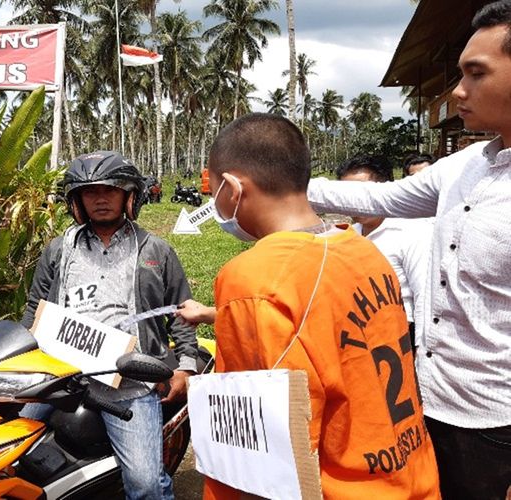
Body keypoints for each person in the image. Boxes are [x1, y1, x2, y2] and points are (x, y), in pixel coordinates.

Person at [307, 3, 511, 498]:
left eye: (475, 73)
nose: (457, 91)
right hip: (425, 400)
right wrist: (284, 183)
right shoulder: (465, 164)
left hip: (497, 425)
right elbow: (379, 199)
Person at [194, 113, 439, 499]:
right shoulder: (364, 251)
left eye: (213, 190)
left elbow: (260, 446)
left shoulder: (255, 279)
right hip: (411, 475)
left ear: (231, 187)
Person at [21, 151, 198, 500]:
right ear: (77, 201)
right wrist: (21, 359)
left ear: (129, 195)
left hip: (130, 382)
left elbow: (182, 311)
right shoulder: (58, 251)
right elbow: (35, 308)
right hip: (62, 374)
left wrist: (187, 368)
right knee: (6, 446)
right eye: (90, 192)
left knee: (146, 484)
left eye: (110, 190)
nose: (100, 199)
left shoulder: (156, 250)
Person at [336, 155, 431, 347]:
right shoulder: (347, 235)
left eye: (362, 193)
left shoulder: (411, 232)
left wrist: (422, 351)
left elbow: (424, 296)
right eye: (346, 194)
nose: (354, 201)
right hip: (359, 334)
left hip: (402, 332)